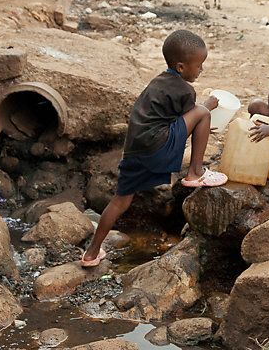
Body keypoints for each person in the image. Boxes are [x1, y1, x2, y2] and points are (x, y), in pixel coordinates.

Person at [80, 30, 228, 267]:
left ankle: (91, 254)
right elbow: (193, 117)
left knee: (120, 201)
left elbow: (174, 119)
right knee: (202, 113)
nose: (202, 70)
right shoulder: (185, 90)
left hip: (135, 150)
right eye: (199, 65)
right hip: (158, 145)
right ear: (181, 67)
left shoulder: (158, 81)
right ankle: (196, 173)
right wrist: (208, 105)